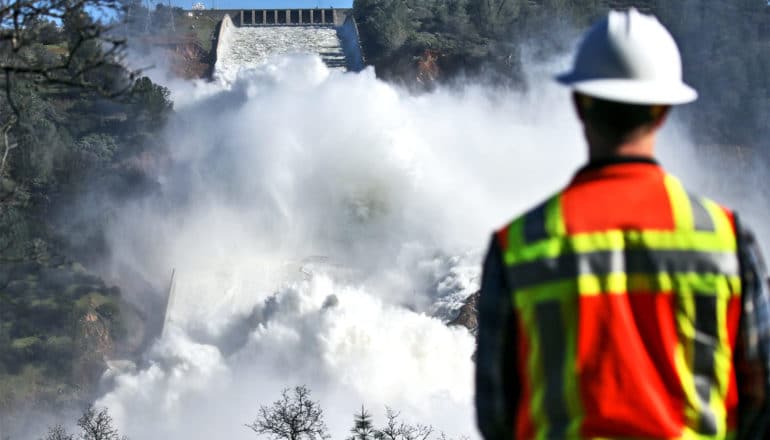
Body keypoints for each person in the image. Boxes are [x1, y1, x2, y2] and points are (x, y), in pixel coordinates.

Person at [475, 8, 770, 439]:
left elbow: (496, 412)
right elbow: (761, 393)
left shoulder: (519, 244)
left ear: (578, 104)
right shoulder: (726, 239)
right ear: (665, 110)